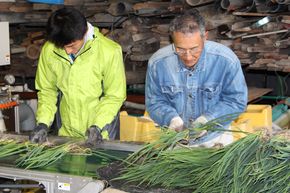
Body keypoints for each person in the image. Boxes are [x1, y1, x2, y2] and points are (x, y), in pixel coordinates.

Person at [145, 9, 248, 147]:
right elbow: (154, 102)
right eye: (180, 49)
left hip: (217, 138)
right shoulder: (158, 63)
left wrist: (208, 120)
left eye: (194, 49)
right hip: (176, 140)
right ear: (172, 39)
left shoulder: (226, 60)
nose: (187, 56)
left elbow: (237, 101)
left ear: (205, 37)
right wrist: (171, 119)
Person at [30, 7, 126, 145]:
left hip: (102, 132)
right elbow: (47, 90)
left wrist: (97, 126)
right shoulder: (49, 50)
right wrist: (43, 123)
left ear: (84, 32)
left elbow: (114, 96)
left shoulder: (109, 51)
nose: (67, 51)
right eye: (62, 46)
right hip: (67, 133)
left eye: (71, 45)